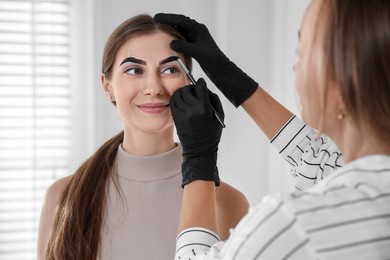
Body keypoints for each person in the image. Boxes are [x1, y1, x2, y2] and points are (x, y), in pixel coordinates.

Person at [155, 0, 390, 258]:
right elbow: (322, 160)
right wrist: (229, 75)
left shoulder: (293, 226)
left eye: (302, 54)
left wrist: (199, 160)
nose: (295, 68)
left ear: (346, 82)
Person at [36, 14, 250, 260]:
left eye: (170, 69)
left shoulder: (229, 203)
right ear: (108, 87)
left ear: (189, 83)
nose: (153, 88)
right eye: (134, 70)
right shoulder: (62, 198)